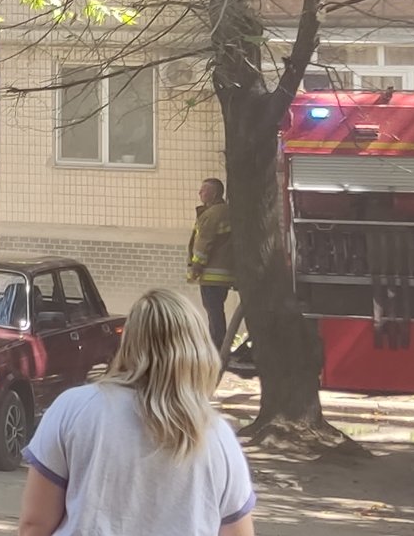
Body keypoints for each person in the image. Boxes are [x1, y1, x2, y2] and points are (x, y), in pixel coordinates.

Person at [16, 288, 256, 536]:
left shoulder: (73, 409)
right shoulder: (218, 437)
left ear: (130, 343)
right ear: (198, 351)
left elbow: (35, 525)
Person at [187, 178, 235, 356]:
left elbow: (203, 243)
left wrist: (196, 266)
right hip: (224, 272)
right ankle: (220, 344)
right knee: (216, 310)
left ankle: (217, 346)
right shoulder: (226, 211)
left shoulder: (212, 214)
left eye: (204, 190)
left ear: (214, 194)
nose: (200, 193)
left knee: (213, 311)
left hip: (211, 274)